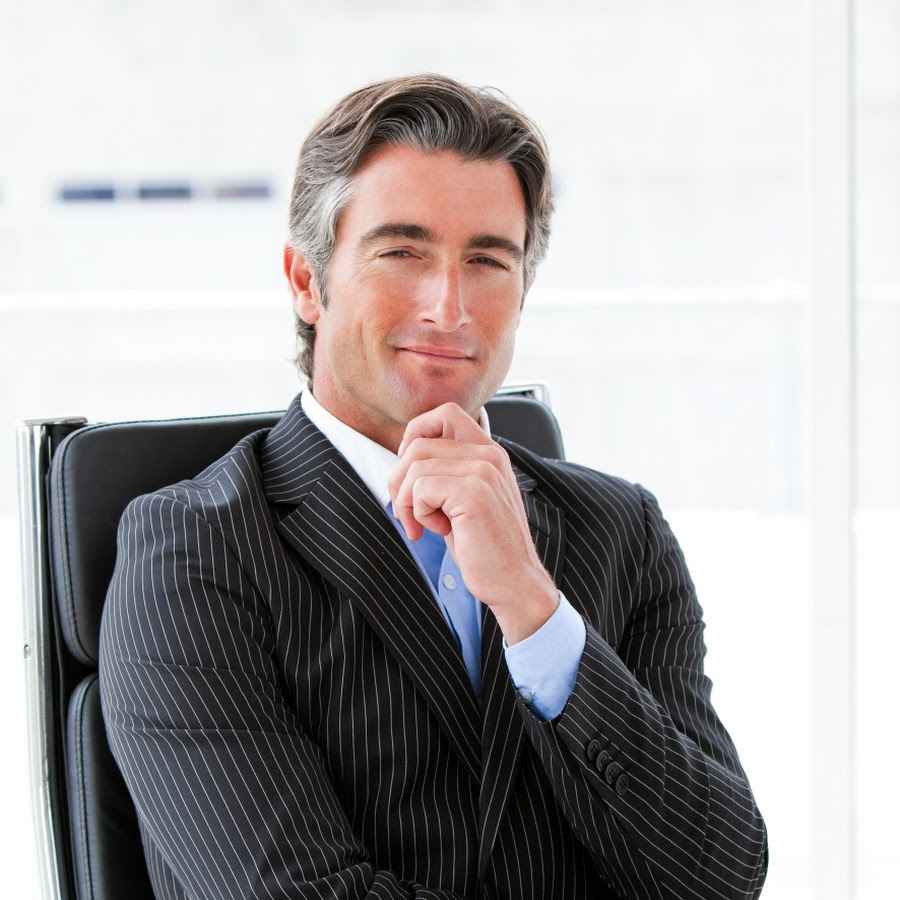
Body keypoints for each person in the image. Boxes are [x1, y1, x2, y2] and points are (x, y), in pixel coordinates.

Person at [98, 73, 768, 900]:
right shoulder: (195, 552)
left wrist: (533, 610)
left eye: (488, 260)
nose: (449, 306)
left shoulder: (618, 529)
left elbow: (720, 877)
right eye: (402, 251)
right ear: (308, 282)